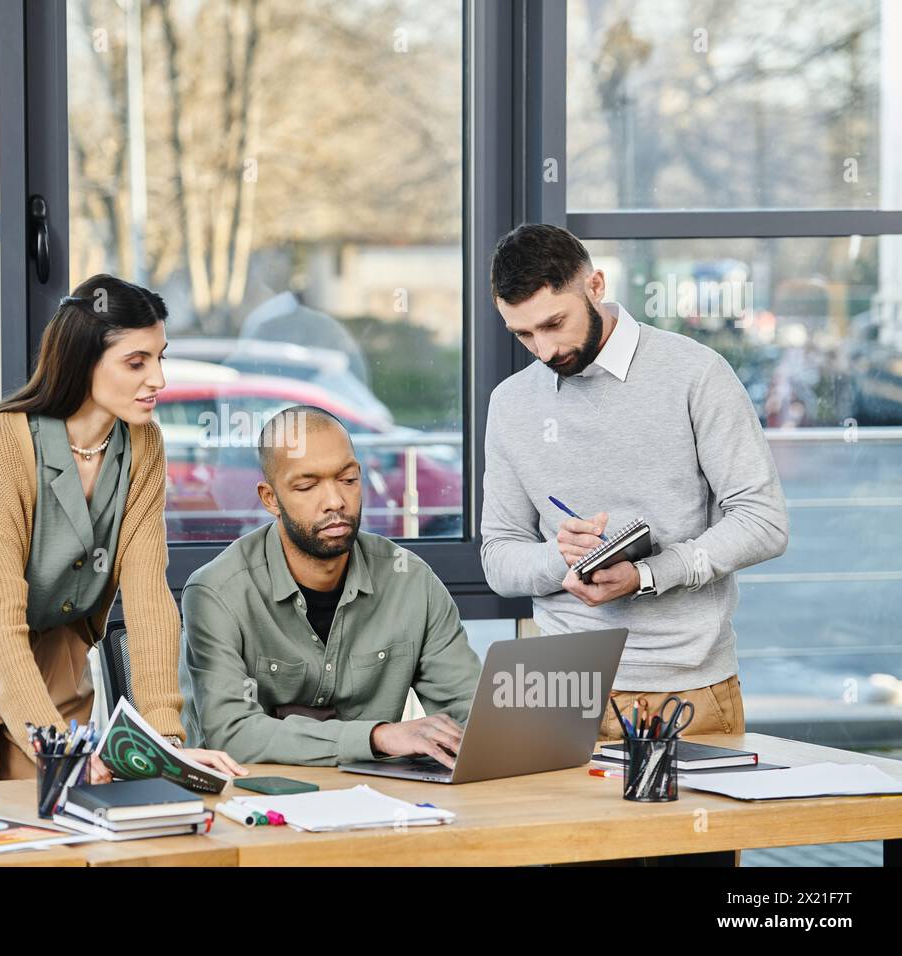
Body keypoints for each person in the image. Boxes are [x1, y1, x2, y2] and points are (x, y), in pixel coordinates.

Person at [0, 274, 244, 787]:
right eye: (136, 362)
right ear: (84, 362)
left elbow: (148, 599)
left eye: (160, 357)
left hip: (57, 676)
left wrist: (167, 743)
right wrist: (55, 747)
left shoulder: (143, 446)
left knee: (61, 847)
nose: (159, 380)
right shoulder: (3, 443)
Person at [481, 223, 789, 741]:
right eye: (523, 334)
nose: (544, 350)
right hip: (555, 690)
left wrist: (648, 575)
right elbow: (499, 556)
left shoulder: (696, 374)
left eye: (555, 323)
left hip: (686, 691)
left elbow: (764, 523)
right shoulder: (510, 403)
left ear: (595, 286)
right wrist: (560, 559)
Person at [180, 404, 481, 766]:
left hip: (379, 803)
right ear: (270, 499)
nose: (336, 501)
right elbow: (231, 734)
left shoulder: (411, 581)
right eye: (307, 485)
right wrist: (377, 737)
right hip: (252, 804)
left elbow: (472, 715)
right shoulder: (218, 593)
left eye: (348, 480)